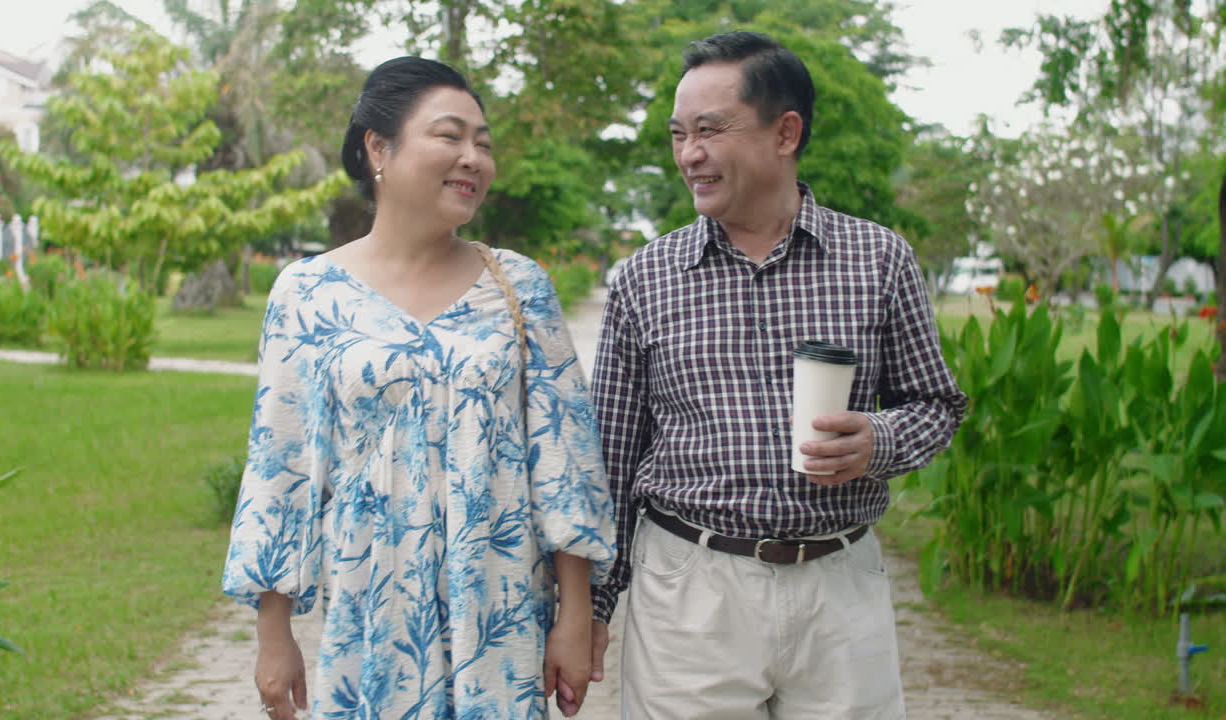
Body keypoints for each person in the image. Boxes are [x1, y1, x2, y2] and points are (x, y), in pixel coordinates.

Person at [588, 31, 967, 719]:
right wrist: (593, 608)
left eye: (709, 130)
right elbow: (612, 455)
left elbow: (936, 405)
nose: (688, 155)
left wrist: (876, 441)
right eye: (678, 135)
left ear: (785, 132)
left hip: (840, 585)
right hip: (691, 589)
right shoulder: (646, 278)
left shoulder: (878, 260)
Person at [222, 56, 615, 720]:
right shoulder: (308, 293)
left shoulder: (518, 287)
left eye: (483, 144)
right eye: (451, 135)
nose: (473, 158)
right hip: (371, 610)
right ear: (379, 147)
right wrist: (273, 635)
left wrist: (575, 615)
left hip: (499, 612)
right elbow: (279, 470)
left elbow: (565, 461)